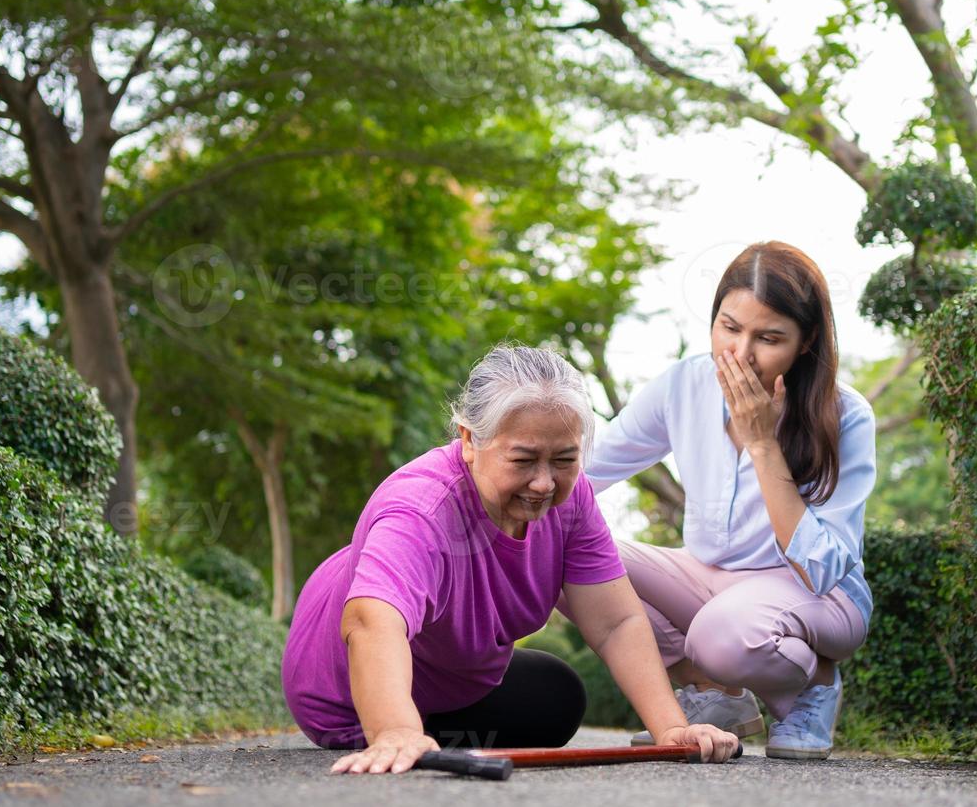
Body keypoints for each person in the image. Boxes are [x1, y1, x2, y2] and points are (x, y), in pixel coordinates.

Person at [282, 345, 740, 775]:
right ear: (468, 441)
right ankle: (404, 729)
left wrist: (673, 730)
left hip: (453, 674)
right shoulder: (421, 508)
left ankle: (421, 730)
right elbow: (371, 624)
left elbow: (615, 622)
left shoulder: (571, 498)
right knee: (409, 735)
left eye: (564, 458)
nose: (544, 483)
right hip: (344, 687)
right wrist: (395, 731)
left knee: (557, 698)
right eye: (523, 459)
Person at [583, 241, 876, 760]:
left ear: (806, 341)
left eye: (768, 338)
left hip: (816, 597)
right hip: (710, 578)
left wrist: (763, 443)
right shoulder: (685, 384)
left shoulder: (845, 414)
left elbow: (825, 567)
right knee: (565, 553)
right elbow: (587, 470)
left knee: (722, 635)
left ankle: (813, 686)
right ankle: (715, 697)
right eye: (729, 327)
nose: (739, 355)